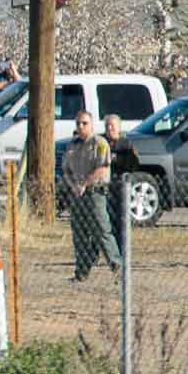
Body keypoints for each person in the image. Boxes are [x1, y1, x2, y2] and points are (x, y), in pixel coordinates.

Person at [63, 109, 121, 280]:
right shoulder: (73, 145)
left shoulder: (100, 143)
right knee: (79, 234)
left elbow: (102, 168)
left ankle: (117, 267)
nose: (81, 127)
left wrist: (84, 184)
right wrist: (74, 185)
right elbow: (66, 170)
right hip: (77, 195)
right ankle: (81, 272)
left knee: (102, 231)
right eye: (78, 123)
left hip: (95, 193)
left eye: (84, 123)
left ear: (92, 124)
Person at [104, 113, 140, 260]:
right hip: (105, 188)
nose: (110, 128)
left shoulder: (126, 145)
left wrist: (116, 160)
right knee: (107, 223)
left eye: (112, 125)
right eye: (107, 125)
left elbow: (133, 164)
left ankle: (123, 253)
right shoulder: (102, 143)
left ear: (119, 128)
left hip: (120, 188)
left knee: (121, 222)